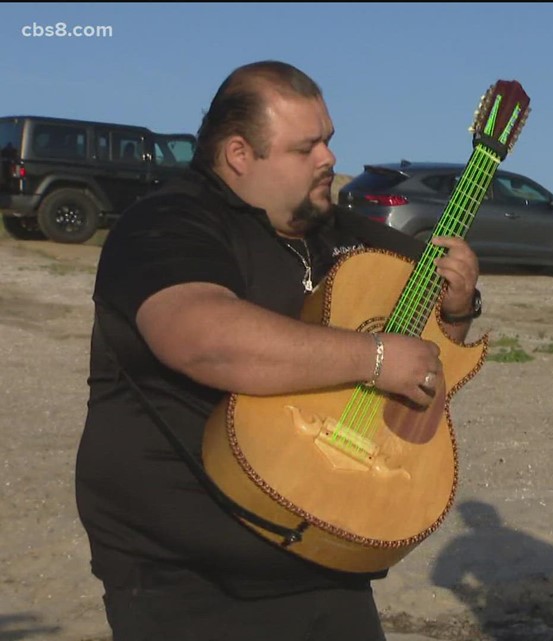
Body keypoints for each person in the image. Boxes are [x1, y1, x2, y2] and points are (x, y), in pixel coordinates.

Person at [75, 60, 482, 641]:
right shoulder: (168, 222)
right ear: (240, 154)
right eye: (305, 148)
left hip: (329, 555)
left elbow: (427, 358)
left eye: (329, 140)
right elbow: (200, 337)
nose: (329, 159)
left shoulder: (347, 235)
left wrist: (457, 309)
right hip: (185, 581)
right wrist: (374, 358)